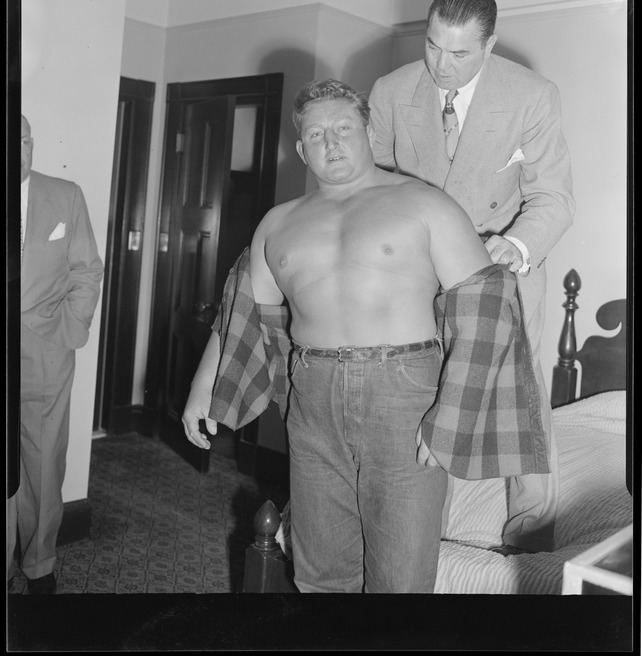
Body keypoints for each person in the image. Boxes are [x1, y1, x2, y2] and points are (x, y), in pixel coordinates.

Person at [182, 79, 551, 593]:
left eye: (343, 128)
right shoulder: (277, 223)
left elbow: (487, 309)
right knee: (320, 572)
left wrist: (450, 417)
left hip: (406, 395)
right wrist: (203, 386)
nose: (331, 142)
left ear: (369, 133)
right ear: (301, 149)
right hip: (312, 397)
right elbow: (241, 312)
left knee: (399, 580)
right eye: (316, 134)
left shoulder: (426, 204)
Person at [368, 0, 575, 553]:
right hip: (420, 270)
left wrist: (517, 244)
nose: (441, 65)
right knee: (424, 386)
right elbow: (371, 189)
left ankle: (531, 535)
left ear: (490, 44)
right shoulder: (390, 91)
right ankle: (424, 532)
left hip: (503, 266)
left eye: (459, 53)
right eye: (432, 45)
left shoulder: (532, 95)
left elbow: (554, 198)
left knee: (523, 392)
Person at [9, 115, 104, 594]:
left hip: (44, 349)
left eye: (23, 140)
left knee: (43, 459)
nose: (18, 151)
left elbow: (87, 269)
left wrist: (68, 329)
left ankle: (38, 562)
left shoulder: (65, 195)